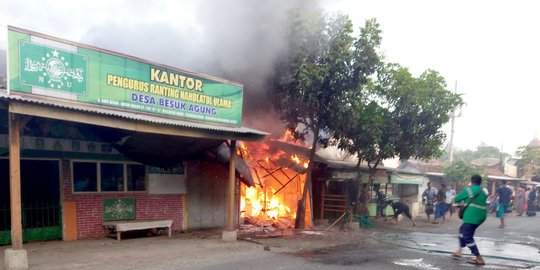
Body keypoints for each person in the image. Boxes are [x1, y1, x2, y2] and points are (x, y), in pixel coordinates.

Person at [453, 174, 488, 265]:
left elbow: (456, 199)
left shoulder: (469, 189)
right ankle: (459, 250)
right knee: (462, 230)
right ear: (480, 182)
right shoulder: (483, 191)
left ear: (471, 181)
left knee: (467, 237)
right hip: (482, 216)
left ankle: (479, 257)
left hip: (471, 216)